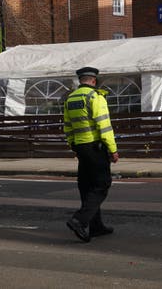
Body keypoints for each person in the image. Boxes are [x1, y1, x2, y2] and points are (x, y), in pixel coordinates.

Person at [63, 66, 119, 242]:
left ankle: (96, 226)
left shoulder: (70, 98)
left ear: (81, 80)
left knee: (87, 186)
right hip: (95, 147)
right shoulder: (95, 96)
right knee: (102, 185)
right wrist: (113, 149)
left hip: (80, 147)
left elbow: (67, 125)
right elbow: (104, 125)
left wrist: (73, 145)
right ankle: (79, 220)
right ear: (94, 80)